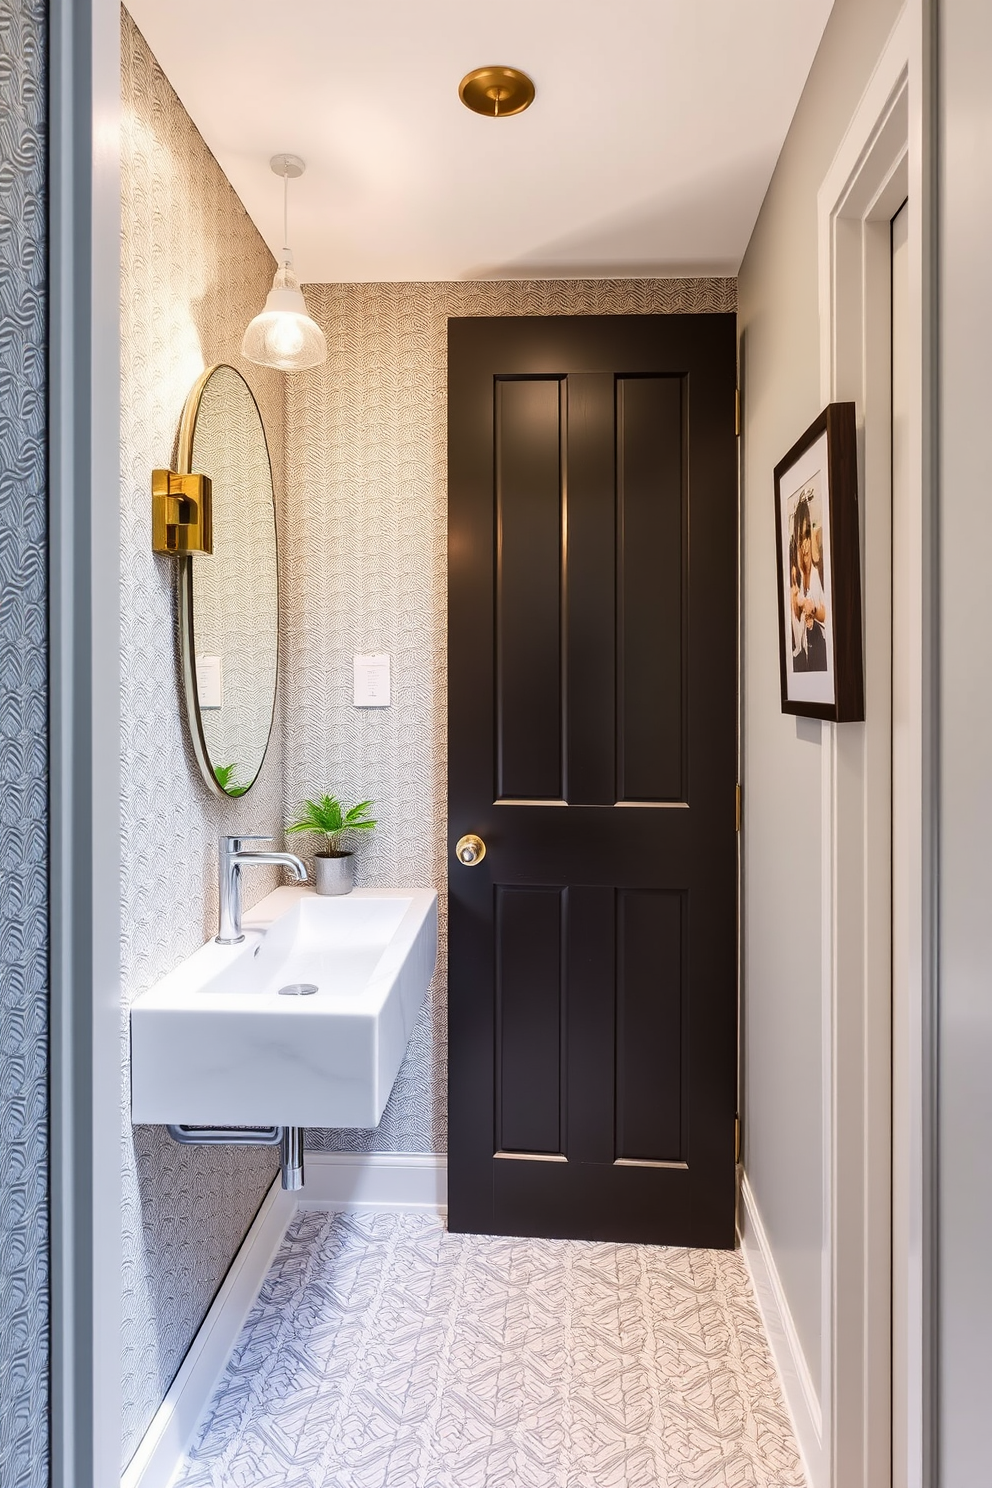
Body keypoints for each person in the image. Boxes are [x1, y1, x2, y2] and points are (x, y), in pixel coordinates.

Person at [792, 495, 827, 671]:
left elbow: (826, 615)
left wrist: (812, 610)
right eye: (800, 538)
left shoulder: (816, 574)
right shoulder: (796, 580)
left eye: (807, 535)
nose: (804, 546)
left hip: (821, 651)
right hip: (805, 657)